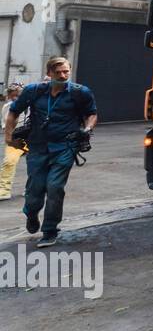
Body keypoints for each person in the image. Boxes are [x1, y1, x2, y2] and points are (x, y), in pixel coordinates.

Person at [3, 58, 97, 247]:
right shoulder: (33, 91)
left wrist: (87, 129)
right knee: (34, 191)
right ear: (49, 73)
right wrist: (9, 136)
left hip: (65, 147)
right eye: (58, 72)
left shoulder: (80, 93)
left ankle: (50, 230)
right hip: (37, 148)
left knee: (55, 187)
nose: (63, 76)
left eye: (66, 72)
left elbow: (91, 114)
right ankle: (31, 214)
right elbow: (13, 112)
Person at [0, 83, 22, 201]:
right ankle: (4, 190)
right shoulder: (8, 107)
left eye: (17, 96)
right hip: (17, 138)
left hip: (33, 137)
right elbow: (6, 125)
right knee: (9, 162)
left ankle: (32, 188)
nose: (15, 98)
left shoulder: (31, 104)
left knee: (35, 165)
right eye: (13, 96)